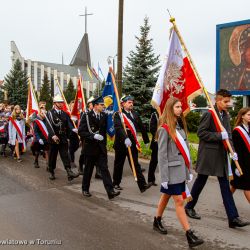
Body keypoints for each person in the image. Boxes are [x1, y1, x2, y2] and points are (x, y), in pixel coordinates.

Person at [185, 89, 249, 228]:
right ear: (217, 100)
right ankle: (189, 206)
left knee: (225, 186)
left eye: (229, 101)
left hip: (221, 156)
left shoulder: (225, 115)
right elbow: (201, 133)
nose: (228, 104)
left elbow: (229, 135)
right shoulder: (209, 114)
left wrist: (233, 151)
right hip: (208, 155)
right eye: (225, 101)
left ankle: (233, 218)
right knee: (200, 181)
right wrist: (219, 136)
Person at [153, 97, 204, 248]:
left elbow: (186, 151)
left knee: (165, 196)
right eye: (177, 107)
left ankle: (157, 220)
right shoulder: (164, 129)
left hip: (180, 170)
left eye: (181, 106)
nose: (180, 109)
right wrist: (164, 177)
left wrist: (188, 170)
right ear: (170, 109)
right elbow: (161, 155)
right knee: (179, 201)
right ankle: (189, 234)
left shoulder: (180, 127)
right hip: (171, 172)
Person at [78, 96, 120, 199]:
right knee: (88, 170)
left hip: (101, 148)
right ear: (95, 106)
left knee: (104, 169)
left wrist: (105, 144)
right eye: (101, 105)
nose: (103, 106)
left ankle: (110, 191)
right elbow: (81, 131)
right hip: (90, 148)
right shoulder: (87, 116)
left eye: (103, 105)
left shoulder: (104, 115)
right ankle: (85, 189)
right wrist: (92, 136)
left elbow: (104, 131)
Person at [112, 95, 151, 192]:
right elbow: (118, 128)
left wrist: (146, 140)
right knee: (119, 164)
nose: (131, 104)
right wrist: (125, 138)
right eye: (129, 102)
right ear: (123, 104)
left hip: (132, 143)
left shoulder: (135, 114)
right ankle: (116, 183)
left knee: (135, 164)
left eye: (132, 102)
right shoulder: (118, 114)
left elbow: (142, 127)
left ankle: (142, 185)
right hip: (121, 142)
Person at [46, 95, 79, 181]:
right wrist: (53, 135)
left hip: (63, 137)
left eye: (62, 102)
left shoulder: (64, 114)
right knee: (53, 156)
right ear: (55, 103)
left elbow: (69, 124)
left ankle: (69, 172)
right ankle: (51, 171)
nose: (61, 104)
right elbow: (48, 125)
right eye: (59, 102)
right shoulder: (49, 113)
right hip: (54, 138)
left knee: (65, 155)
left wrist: (73, 129)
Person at [230, 107, 250, 203]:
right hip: (240, 162)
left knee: (235, 184)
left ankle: (227, 200)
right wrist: (238, 166)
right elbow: (237, 151)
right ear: (242, 116)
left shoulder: (249, 128)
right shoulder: (237, 131)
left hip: (248, 162)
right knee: (247, 185)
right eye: (248, 115)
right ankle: (227, 200)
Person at [148, 110, 159, 186]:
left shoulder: (168, 113)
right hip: (157, 142)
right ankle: (151, 179)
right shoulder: (155, 115)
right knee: (154, 162)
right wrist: (159, 136)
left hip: (167, 142)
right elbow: (152, 128)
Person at [68, 100, 80, 169]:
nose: (73, 107)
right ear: (69, 106)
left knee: (76, 146)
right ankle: (71, 162)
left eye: (74, 106)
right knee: (71, 149)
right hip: (70, 134)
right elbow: (67, 123)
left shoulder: (77, 114)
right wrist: (72, 128)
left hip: (77, 134)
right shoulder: (68, 114)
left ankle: (69, 157)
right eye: (72, 106)